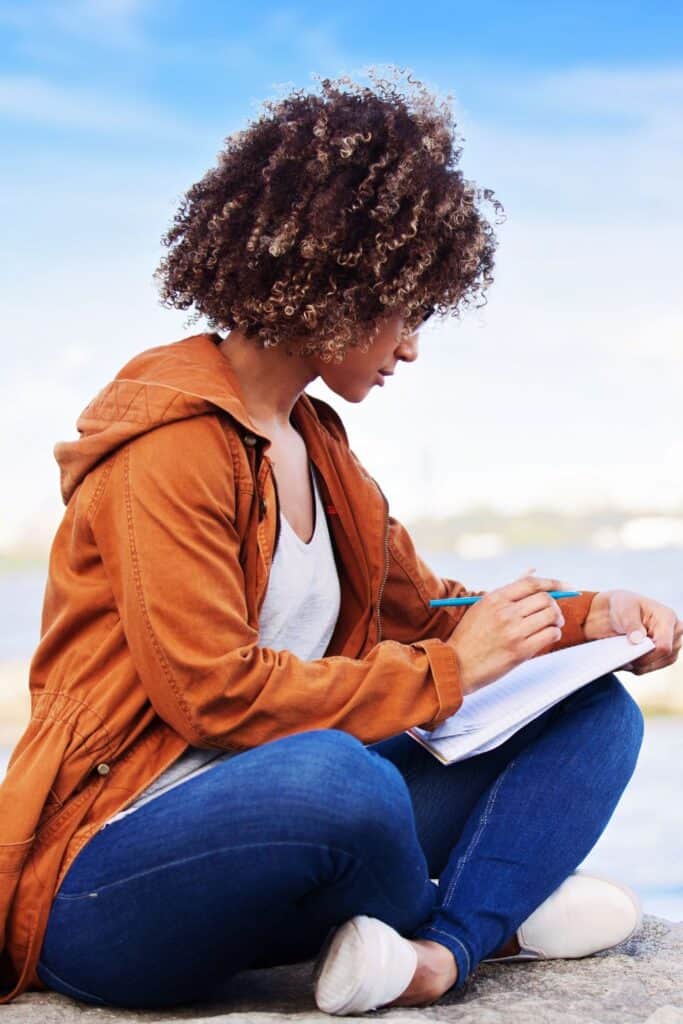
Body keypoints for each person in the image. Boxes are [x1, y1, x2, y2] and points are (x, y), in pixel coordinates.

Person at [0, 69, 680, 1014]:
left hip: (284, 855)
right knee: (337, 776)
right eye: (406, 309)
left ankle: (437, 956)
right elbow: (215, 698)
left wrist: (584, 621)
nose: (408, 348)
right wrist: (448, 678)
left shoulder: (321, 448)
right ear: (336, 285)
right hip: (111, 876)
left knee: (593, 712)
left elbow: (432, 610)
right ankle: (495, 923)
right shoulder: (169, 449)